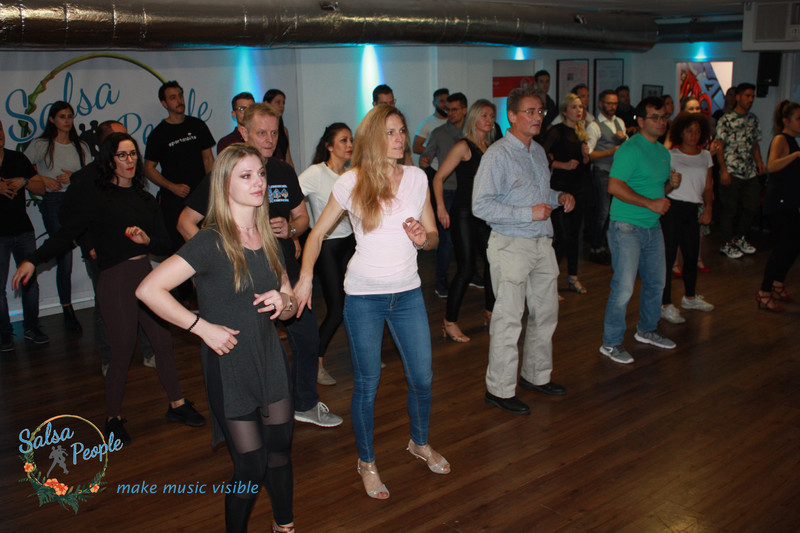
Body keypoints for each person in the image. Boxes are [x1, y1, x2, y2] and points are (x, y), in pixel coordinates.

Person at [136, 144, 296, 533]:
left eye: (260, 173)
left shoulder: (268, 235)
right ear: (225, 184)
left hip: (269, 355)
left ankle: (285, 525)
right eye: (246, 176)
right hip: (229, 362)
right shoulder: (210, 241)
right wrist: (201, 327)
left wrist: (285, 302)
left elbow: (290, 304)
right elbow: (149, 289)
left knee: (279, 452)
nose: (258, 182)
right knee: (250, 465)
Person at [294, 104, 450, 500]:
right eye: (390, 132)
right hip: (364, 296)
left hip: (408, 293)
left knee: (423, 377)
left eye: (402, 131)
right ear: (373, 138)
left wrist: (424, 239)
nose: (399, 138)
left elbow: (433, 235)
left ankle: (419, 442)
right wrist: (306, 278)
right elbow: (316, 234)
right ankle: (366, 462)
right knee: (367, 383)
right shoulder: (351, 181)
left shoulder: (417, 178)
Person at [13, 133, 205, 444]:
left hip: (147, 280)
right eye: (122, 155)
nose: (129, 160)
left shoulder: (145, 199)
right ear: (109, 160)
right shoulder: (98, 198)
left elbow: (165, 244)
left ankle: (177, 404)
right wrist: (32, 260)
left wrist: (146, 240)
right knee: (123, 349)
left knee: (162, 342)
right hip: (116, 281)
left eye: (133, 154)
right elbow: (66, 234)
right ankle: (112, 418)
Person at [177, 103, 343, 429]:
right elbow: (185, 222)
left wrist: (291, 229)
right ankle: (251, 416)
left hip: (283, 271)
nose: (269, 139)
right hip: (245, 280)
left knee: (307, 338)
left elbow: (303, 219)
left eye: (274, 133)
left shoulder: (283, 172)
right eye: (261, 132)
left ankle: (303, 403)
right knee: (248, 349)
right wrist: (220, 258)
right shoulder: (224, 175)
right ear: (244, 133)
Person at [472, 87, 575, 415]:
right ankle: (499, 390)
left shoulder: (538, 152)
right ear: (512, 116)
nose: (537, 117)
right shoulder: (497, 155)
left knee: (546, 313)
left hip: (542, 242)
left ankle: (536, 375)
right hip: (511, 244)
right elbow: (480, 205)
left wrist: (558, 197)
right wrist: (527, 213)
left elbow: (539, 193)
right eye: (529, 112)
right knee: (508, 319)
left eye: (540, 111)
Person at [65, 120, 155, 375]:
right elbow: (69, 218)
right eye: (119, 145)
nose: (128, 155)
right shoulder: (84, 178)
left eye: (131, 149)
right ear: (105, 145)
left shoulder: (131, 178)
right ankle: (109, 358)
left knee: (145, 301)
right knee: (105, 307)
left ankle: (150, 352)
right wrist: (88, 244)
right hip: (103, 256)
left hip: (133, 255)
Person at [599, 97, 680, 365]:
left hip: (652, 227)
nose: (661, 122)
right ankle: (611, 343)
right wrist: (651, 203)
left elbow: (657, 191)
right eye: (655, 117)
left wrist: (671, 186)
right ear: (641, 121)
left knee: (656, 283)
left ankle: (647, 329)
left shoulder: (662, 152)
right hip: (626, 227)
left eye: (664, 117)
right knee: (623, 288)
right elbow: (614, 186)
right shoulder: (630, 149)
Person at [433, 99, 497, 343]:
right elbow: (438, 178)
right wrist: (441, 208)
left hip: (484, 215)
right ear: (474, 118)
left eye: (491, 116)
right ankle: (449, 321)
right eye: (484, 115)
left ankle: (490, 311)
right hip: (463, 214)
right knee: (467, 268)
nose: (489, 120)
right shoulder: (464, 146)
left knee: (493, 263)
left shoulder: (490, 147)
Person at [25, 101, 91, 332]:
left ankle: (99, 297)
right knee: (64, 255)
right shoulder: (41, 144)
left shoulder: (80, 145)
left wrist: (74, 176)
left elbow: (91, 175)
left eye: (70, 116)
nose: (67, 121)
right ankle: (67, 307)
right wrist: (43, 179)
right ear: (52, 119)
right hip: (53, 203)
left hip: (78, 201)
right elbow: (22, 168)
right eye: (62, 116)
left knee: (92, 247)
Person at [298, 123, 356, 386]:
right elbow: (291, 199)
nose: (349, 145)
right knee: (337, 308)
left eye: (351, 140)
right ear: (329, 146)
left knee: (355, 303)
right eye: (343, 140)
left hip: (350, 243)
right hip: (327, 247)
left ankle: (361, 354)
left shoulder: (352, 174)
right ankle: (316, 363)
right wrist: (293, 232)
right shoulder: (316, 173)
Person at [144, 80, 215, 255]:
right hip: (174, 201)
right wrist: (172, 187)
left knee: (207, 244)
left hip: (201, 198)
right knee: (180, 249)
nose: (179, 100)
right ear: (164, 103)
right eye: (173, 97)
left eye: (180, 95)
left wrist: (211, 188)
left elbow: (208, 159)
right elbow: (148, 168)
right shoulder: (158, 134)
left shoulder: (197, 125)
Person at [659, 112, 715, 324]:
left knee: (691, 255)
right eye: (689, 131)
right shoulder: (670, 155)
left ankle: (690, 297)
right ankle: (665, 303)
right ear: (680, 132)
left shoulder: (706, 156)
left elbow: (708, 186)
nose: (693, 135)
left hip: (693, 209)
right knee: (668, 256)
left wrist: (708, 208)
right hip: (673, 208)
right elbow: (661, 184)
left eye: (698, 131)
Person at [1, 119, 48, 351]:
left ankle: (32, 326)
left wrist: (26, 181)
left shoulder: (17, 158)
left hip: (23, 230)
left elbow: (41, 188)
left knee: (29, 281)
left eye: (0, 128)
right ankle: (4, 332)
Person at [542, 93, 592, 295]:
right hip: (560, 189)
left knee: (574, 236)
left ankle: (573, 276)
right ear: (564, 111)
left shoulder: (582, 132)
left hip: (579, 188)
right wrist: (563, 165)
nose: (578, 110)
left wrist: (586, 157)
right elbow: (541, 156)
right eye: (574, 107)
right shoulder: (556, 131)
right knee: (560, 237)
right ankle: (550, 282)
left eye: (580, 107)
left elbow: (584, 166)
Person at [422, 92, 469, 298]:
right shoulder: (439, 132)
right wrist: (424, 159)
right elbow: (427, 154)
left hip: (469, 191)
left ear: (465, 110)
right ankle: (441, 283)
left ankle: (471, 275)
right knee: (446, 240)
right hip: (448, 191)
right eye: (448, 109)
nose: (451, 113)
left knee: (469, 237)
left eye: (455, 109)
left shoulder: (473, 131)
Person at [756, 100, 800, 312]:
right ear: (786, 121)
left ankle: (778, 283)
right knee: (782, 248)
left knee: (793, 245)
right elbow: (772, 166)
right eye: (798, 118)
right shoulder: (781, 139)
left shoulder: (792, 141)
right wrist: (796, 155)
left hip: (790, 202)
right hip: (778, 203)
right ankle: (764, 292)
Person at [715, 82, 765, 259]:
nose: (750, 100)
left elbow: (755, 143)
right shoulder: (726, 119)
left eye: (752, 96)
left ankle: (739, 237)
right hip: (731, 170)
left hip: (749, 171)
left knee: (752, 205)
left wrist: (759, 161)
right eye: (747, 96)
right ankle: (725, 243)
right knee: (729, 209)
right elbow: (719, 146)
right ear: (738, 97)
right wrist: (723, 170)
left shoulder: (753, 119)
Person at [586, 89, 628, 265]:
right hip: (602, 172)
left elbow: (628, 147)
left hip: (618, 173)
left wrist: (623, 139)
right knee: (603, 212)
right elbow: (589, 155)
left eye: (615, 103)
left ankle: (605, 246)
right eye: (609, 103)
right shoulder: (594, 126)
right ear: (601, 104)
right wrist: (611, 151)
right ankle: (596, 248)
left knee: (614, 213)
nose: (612, 107)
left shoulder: (620, 122)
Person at [413, 88, 449, 161]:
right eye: (441, 101)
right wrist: (437, 153)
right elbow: (416, 148)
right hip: (434, 166)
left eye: (447, 101)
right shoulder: (427, 123)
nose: (445, 104)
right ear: (434, 103)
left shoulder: (454, 122)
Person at [263, 89, 295, 168]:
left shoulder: (284, 130)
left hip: (283, 169)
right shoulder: (261, 129)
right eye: (278, 102)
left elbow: (288, 158)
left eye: (283, 103)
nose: (282, 106)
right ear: (266, 104)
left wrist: (292, 171)